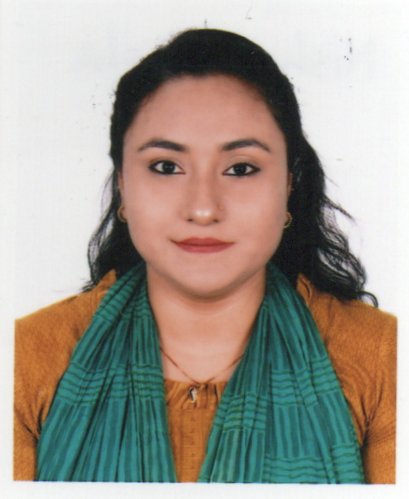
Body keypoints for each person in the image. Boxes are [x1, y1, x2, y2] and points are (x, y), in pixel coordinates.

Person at [14, 28, 396, 484]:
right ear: (122, 185)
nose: (202, 209)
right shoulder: (24, 359)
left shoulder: (385, 357)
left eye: (241, 169)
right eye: (166, 167)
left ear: (289, 183)